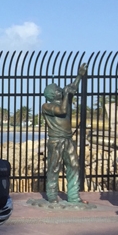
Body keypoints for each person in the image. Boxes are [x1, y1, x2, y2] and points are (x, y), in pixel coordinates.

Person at [42, 63, 88, 203]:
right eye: (57, 89)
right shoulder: (47, 106)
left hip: (68, 139)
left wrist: (79, 76)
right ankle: (52, 195)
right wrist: (67, 95)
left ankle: (74, 196)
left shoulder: (65, 100)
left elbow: (72, 88)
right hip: (55, 141)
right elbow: (61, 111)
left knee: (74, 165)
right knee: (54, 168)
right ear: (52, 94)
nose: (61, 89)